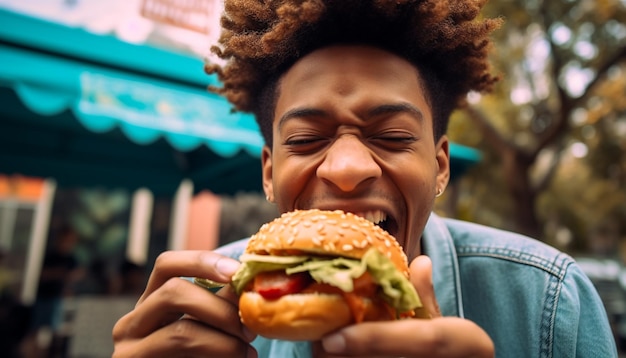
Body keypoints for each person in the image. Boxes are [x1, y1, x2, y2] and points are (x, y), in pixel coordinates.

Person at [112, 1, 617, 357]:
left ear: (440, 165)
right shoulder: (201, 307)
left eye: (393, 136)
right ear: (269, 173)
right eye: (307, 140)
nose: (348, 169)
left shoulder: (550, 304)